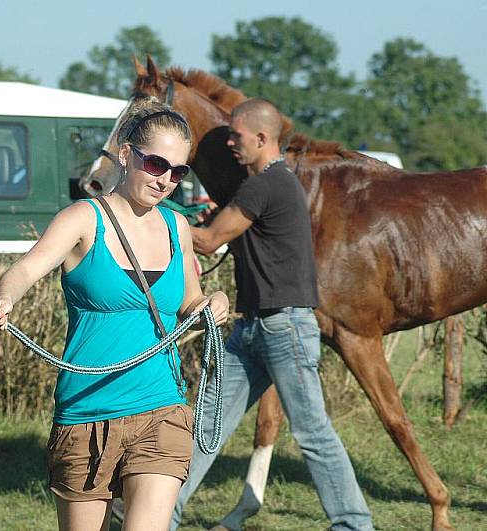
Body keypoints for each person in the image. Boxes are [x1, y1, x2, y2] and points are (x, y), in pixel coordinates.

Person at [0, 101, 230, 531]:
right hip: (86, 412)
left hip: (161, 406)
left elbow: (191, 300)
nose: (165, 180)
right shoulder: (84, 218)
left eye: (178, 172)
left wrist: (211, 302)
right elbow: (24, 269)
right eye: (156, 164)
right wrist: (6, 298)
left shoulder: (178, 229)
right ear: (126, 154)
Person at [171, 98, 374, 531]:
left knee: (313, 434)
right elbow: (237, 234)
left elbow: (206, 242)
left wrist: (149, 220)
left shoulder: (265, 185)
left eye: (236, 136)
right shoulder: (272, 185)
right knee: (206, 426)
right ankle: (158, 517)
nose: (229, 143)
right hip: (251, 329)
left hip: (284, 329)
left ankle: (354, 525)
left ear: (262, 138)